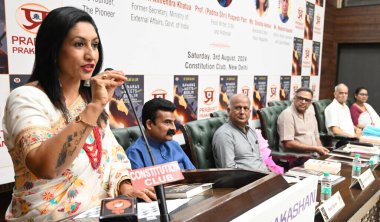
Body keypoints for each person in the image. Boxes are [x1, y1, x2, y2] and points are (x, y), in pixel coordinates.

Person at [2, 7, 156, 221]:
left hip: (99, 214)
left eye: (94, 45)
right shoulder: (25, 98)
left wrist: (125, 186)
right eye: (78, 44)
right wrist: (95, 106)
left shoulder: (89, 100)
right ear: (53, 50)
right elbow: (46, 166)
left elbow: (113, 157)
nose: (90, 54)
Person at [212, 94, 283, 174]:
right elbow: (229, 171)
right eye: (237, 108)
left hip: (264, 176)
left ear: (249, 112)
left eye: (245, 108)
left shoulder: (251, 131)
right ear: (229, 111)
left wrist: (269, 171)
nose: (242, 112)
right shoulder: (224, 135)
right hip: (246, 182)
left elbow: (258, 159)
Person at [127, 98, 196, 170]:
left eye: (173, 122)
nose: (174, 128)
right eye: (167, 122)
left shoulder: (174, 144)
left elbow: (194, 175)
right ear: (149, 124)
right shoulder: (135, 154)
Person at [277, 88, 329, 156]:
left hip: (313, 155)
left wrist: (322, 152)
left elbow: (316, 137)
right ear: (294, 98)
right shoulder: (287, 114)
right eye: (300, 98)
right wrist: (315, 149)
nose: (303, 102)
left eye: (307, 100)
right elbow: (288, 143)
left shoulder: (311, 113)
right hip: (296, 158)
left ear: (310, 103)